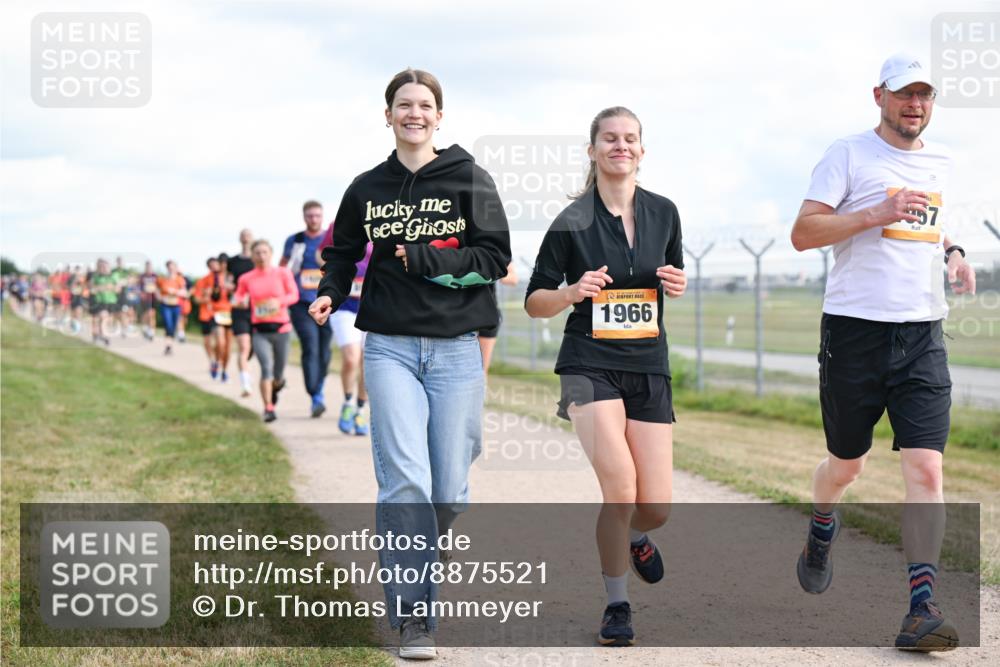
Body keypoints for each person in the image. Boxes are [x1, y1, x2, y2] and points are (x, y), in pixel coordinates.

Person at [309, 68, 511, 660]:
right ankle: (414, 618)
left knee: (447, 489)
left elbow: (495, 258)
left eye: (425, 105)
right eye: (404, 104)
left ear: (440, 116)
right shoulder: (366, 187)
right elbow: (342, 252)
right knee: (406, 480)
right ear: (388, 115)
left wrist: (424, 257)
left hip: (454, 349)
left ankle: (419, 546)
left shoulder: (470, 178)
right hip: (390, 346)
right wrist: (329, 289)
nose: (414, 113)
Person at [790, 53, 976, 653]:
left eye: (924, 95)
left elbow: (933, 222)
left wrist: (953, 253)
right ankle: (823, 523)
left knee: (926, 468)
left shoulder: (942, 160)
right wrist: (874, 213)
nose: (914, 104)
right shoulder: (847, 154)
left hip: (922, 333)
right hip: (854, 332)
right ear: (880, 96)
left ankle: (922, 608)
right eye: (904, 94)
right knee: (847, 464)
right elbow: (803, 233)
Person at [525, 106, 686, 647]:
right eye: (610, 139)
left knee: (655, 507)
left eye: (631, 138)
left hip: (648, 364)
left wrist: (677, 282)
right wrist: (572, 292)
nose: (622, 146)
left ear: (642, 149)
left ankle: (638, 536)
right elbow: (534, 302)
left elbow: (669, 276)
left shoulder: (665, 212)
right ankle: (617, 605)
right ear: (592, 150)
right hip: (587, 363)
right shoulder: (572, 220)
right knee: (619, 488)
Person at [317, 218, 373, 435]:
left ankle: (361, 408)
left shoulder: (386, 220)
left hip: (371, 306)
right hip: (344, 305)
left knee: (367, 362)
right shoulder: (338, 224)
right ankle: (348, 402)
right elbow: (322, 253)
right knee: (351, 358)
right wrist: (329, 276)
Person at [281, 201, 335, 417]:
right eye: (309, 216)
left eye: (317, 216)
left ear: (322, 217)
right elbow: (283, 268)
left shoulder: (330, 239)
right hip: (302, 303)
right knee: (310, 346)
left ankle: (318, 389)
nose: (313, 219)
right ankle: (315, 395)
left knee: (325, 351)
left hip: (329, 303)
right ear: (304, 217)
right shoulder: (295, 241)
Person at [235, 240, 298, 422]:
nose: (261, 256)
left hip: (282, 329)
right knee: (266, 368)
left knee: (278, 373)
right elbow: (238, 295)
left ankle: (276, 385)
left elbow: (294, 295)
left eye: (264, 252)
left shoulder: (282, 273)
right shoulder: (246, 278)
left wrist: (279, 302)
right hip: (259, 331)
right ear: (252, 256)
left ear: (271, 253)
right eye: (257, 253)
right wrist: (240, 301)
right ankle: (268, 408)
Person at [228, 229, 256, 397]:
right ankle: (246, 384)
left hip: (258, 310)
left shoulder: (258, 260)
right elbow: (228, 281)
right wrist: (236, 292)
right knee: (244, 347)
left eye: (248, 235)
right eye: (243, 235)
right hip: (239, 308)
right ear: (239, 239)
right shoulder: (233, 261)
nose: (246, 237)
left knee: (254, 348)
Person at [478, 261, 518, 377]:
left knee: (481, 371)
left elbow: (513, 278)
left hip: (487, 315)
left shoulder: (495, 248)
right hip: (461, 315)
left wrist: (499, 272)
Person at [194, 256, 230, 379]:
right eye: (212, 265)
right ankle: (212, 361)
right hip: (206, 313)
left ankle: (219, 362)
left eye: (216, 264)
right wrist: (206, 297)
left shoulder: (225, 280)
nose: (215, 267)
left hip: (221, 313)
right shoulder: (202, 281)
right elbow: (196, 299)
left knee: (221, 341)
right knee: (207, 341)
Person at [157, 261, 188, 356]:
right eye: (169, 267)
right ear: (167, 268)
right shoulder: (162, 279)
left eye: (172, 267)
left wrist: (174, 292)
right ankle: (168, 346)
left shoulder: (180, 279)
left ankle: (170, 344)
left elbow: (184, 293)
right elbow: (156, 290)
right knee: (168, 324)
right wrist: (159, 297)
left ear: (175, 268)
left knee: (173, 326)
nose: (171, 269)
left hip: (175, 305)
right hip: (165, 305)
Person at [88, 259, 119, 345]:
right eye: (102, 267)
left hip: (112, 301)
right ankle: (104, 335)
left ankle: (100, 334)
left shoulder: (114, 276)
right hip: (100, 301)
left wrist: (111, 287)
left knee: (108, 320)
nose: (104, 268)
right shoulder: (96, 277)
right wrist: (100, 288)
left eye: (105, 267)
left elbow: (118, 289)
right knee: (103, 316)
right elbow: (92, 289)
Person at [138, 261, 159, 340]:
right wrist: (140, 293)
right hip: (144, 299)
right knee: (145, 315)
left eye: (150, 267)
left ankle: (152, 331)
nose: (148, 269)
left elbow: (159, 287)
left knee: (152, 314)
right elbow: (138, 287)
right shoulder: (142, 277)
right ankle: (145, 328)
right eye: (147, 267)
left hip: (152, 298)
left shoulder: (155, 276)